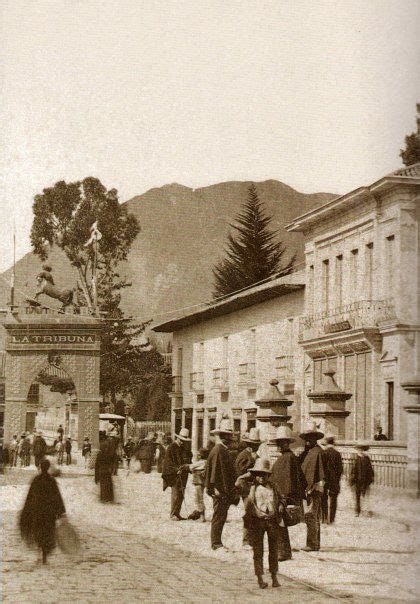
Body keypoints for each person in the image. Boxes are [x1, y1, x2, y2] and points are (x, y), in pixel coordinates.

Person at [236, 458, 281, 589]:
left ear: (269, 475)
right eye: (258, 474)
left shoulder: (274, 487)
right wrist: (249, 474)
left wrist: (281, 506)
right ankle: (260, 578)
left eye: (264, 474)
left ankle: (274, 576)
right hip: (257, 522)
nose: (261, 477)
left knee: (273, 550)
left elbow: (282, 499)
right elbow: (238, 483)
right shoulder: (252, 488)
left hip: (272, 521)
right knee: (258, 551)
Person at [19, 458, 66, 564]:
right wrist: (61, 511)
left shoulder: (36, 480)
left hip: (38, 512)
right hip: (49, 513)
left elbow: (30, 497)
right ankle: (44, 557)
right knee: (47, 533)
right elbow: (57, 497)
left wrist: (27, 510)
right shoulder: (51, 481)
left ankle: (39, 555)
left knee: (38, 533)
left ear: (40, 467)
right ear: (48, 468)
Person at [270, 425, 305, 561]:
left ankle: (283, 552)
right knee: (279, 524)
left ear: (287, 443)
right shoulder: (286, 457)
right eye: (278, 442)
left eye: (281, 442)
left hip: (283, 497)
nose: (279, 445)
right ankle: (284, 552)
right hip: (280, 496)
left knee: (279, 525)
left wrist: (285, 499)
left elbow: (290, 480)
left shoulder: (288, 458)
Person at [204, 417, 239, 551]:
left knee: (221, 515)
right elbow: (215, 472)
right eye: (228, 436)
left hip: (222, 489)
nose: (229, 439)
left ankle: (217, 541)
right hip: (219, 490)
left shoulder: (221, 449)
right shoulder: (219, 450)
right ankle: (216, 543)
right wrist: (215, 488)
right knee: (218, 516)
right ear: (223, 436)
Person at [299, 421, 325, 552]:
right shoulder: (307, 452)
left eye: (311, 437)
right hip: (308, 489)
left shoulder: (317, 452)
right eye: (306, 438)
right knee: (311, 516)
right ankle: (314, 543)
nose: (308, 440)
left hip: (313, 490)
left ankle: (312, 543)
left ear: (315, 438)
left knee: (311, 515)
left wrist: (314, 488)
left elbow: (320, 474)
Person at [234, 428, 261, 549]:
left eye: (257, 445)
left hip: (254, 488)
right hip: (246, 489)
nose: (256, 447)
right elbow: (240, 472)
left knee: (255, 514)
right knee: (248, 513)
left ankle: (252, 539)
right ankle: (246, 541)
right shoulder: (244, 455)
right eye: (254, 445)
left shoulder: (254, 454)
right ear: (249, 445)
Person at [162, 428, 191, 520]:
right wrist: (176, 470)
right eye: (181, 440)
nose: (182, 442)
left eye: (184, 441)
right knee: (175, 494)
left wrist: (189, 466)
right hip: (175, 475)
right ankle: (173, 514)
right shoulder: (171, 447)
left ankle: (177, 513)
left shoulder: (184, 448)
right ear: (178, 438)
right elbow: (167, 463)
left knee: (181, 494)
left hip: (184, 474)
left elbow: (188, 459)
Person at [321, 435, 343, 524]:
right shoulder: (337, 454)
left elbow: (321, 468)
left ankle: (324, 518)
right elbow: (340, 469)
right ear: (333, 443)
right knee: (333, 500)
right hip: (334, 481)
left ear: (326, 443)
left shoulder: (323, 453)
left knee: (324, 499)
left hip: (325, 480)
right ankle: (332, 519)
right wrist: (337, 479)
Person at [349, 441, 374, 517]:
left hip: (365, 481)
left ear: (364, 450)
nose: (361, 450)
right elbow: (353, 470)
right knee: (357, 497)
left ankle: (367, 511)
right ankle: (357, 511)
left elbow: (370, 470)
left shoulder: (367, 458)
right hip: (357, 481)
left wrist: (370, 479)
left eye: (362, 449)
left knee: (366, 496)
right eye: (359, 449)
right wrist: (352, 480)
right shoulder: (356, 458)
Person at [187, 448, 209, 521]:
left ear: (200, 456)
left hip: (199, 482)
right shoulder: (205, 462)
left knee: (199, 499)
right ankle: (201, 515)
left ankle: (202, 517)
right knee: (199, 498)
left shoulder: (201, 462)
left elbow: (191, 467)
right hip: (200, 482)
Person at [95, 434, 118, 503]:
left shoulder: (99, 454)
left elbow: (97, 465)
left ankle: (103, 498)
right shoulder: (109, 454)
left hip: (101, 471)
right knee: (108, 484)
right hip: (107, 470)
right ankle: (110, 498)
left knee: (103, 485)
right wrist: (113, 469)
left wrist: (96, 477)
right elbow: (114, 461)